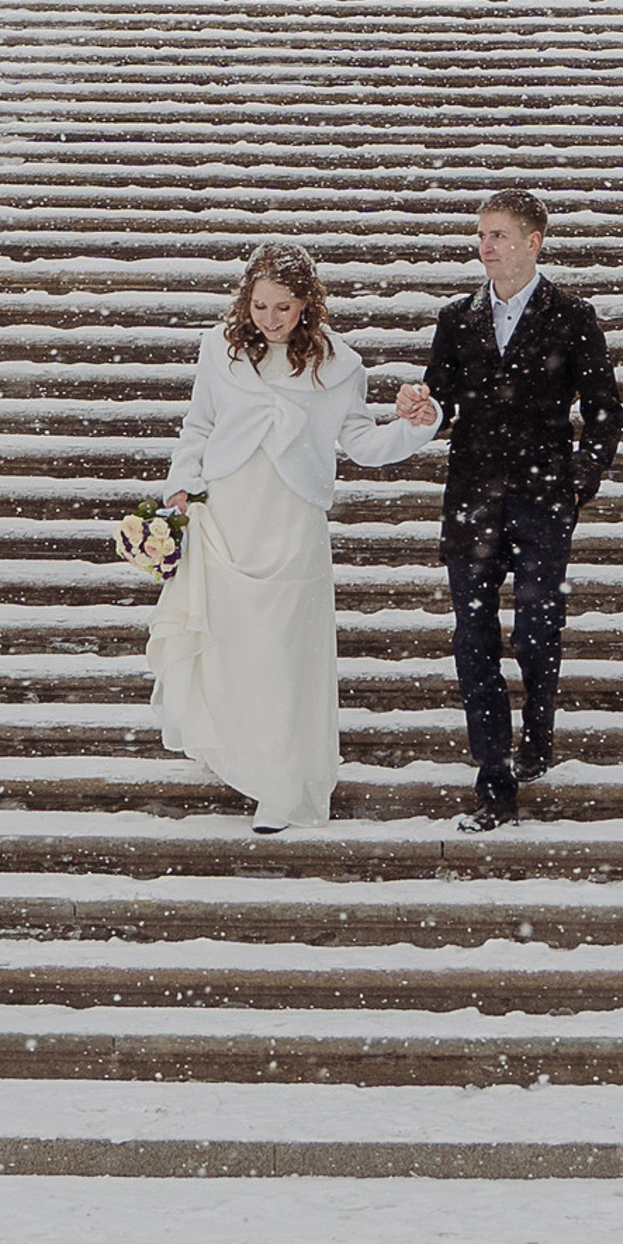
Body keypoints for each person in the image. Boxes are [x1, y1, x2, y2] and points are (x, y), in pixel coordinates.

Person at [145, 242, 440, 836]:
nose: (270, 319)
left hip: (290, 525)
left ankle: (284, 787)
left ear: (307, 303)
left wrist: (416, 428)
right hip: (226, 520)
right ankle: (230, 749)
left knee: (283, 657)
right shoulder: (218, 350)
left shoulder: (340, 367)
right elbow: (199, 424)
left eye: (283, 307)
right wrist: (182, 485)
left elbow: (362, 443)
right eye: (259, 305)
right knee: (226, 647)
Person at [397, 182, 622, 833]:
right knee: (472, 639)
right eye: (481, 234)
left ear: (533, 242)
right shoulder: (455, 318)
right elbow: (441, 402)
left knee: (534, 632)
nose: (484, 246)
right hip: (471, 500)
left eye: (498, 234)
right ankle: (493, 784)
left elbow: (605, 411)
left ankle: (540, 729)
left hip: (542, 498)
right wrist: (424, 408)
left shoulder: (573, 316)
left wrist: (578, 480)